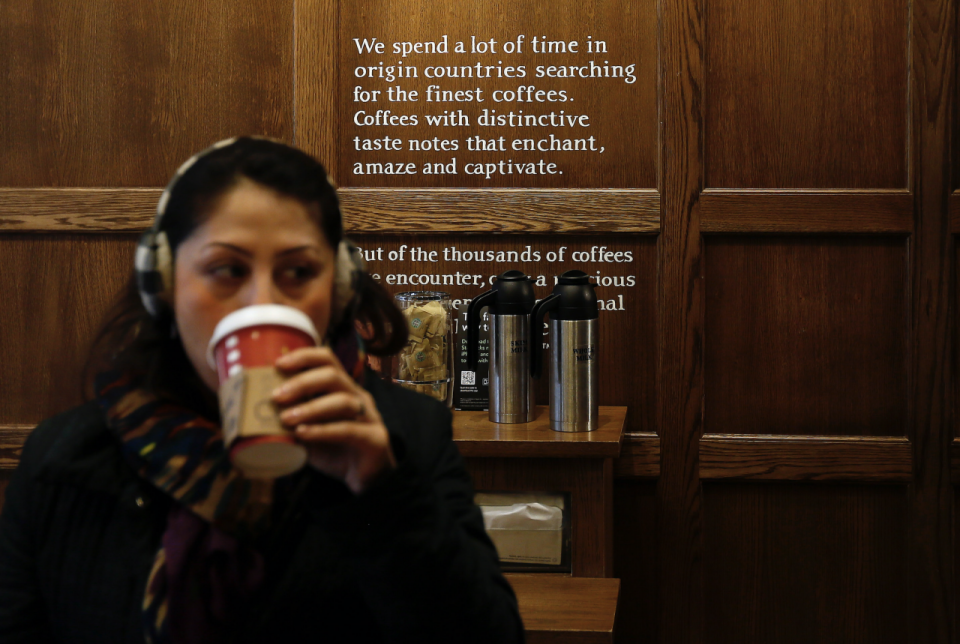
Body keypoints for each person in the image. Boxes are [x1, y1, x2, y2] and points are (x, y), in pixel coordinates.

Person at [0, 137, 524, 644]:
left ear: (338, 291)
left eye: (298, 272)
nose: (261, 303)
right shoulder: (62, 459)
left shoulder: (409, 435)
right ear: (164, 284)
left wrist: (382, 499)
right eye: (227, 269)